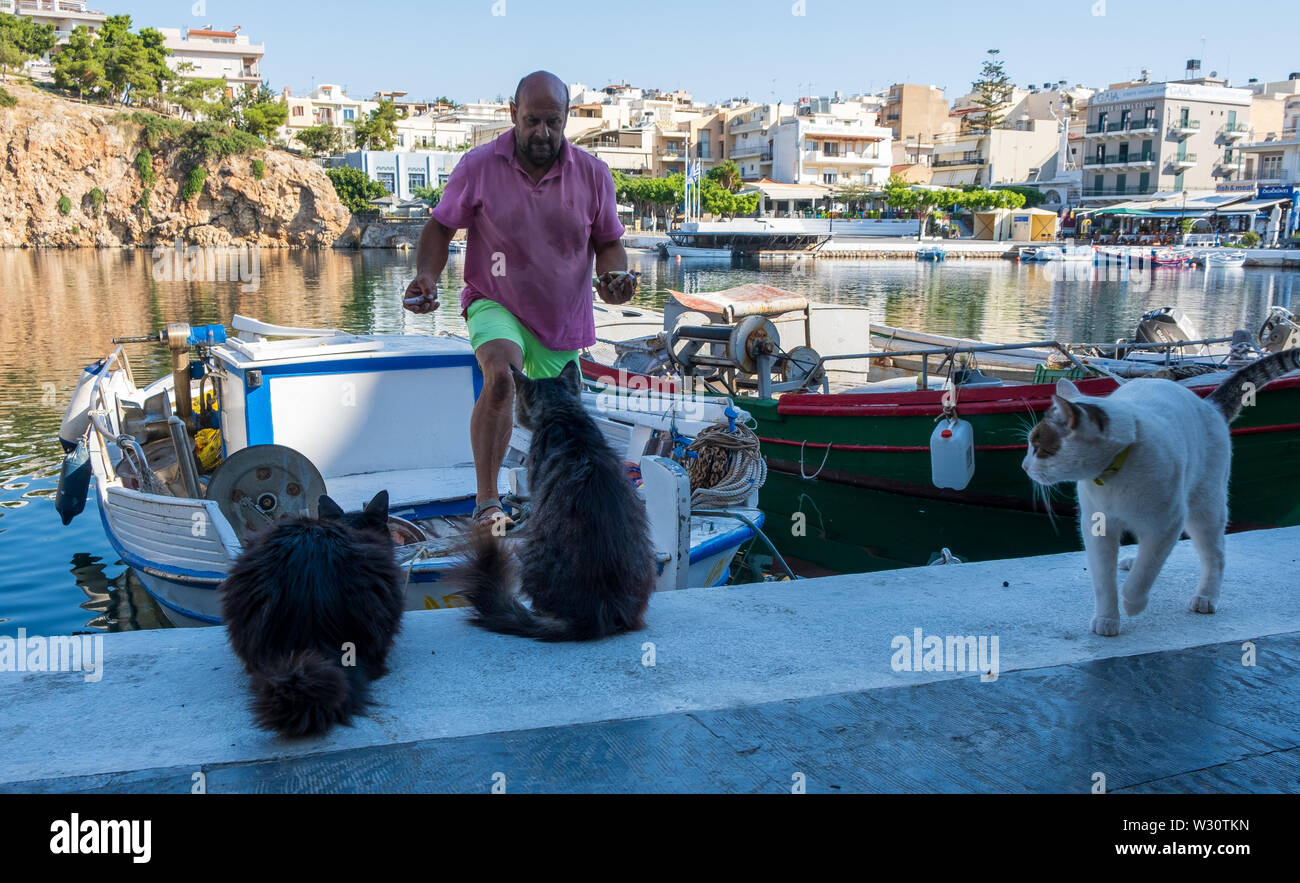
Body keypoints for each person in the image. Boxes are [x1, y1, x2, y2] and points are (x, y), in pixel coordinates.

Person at [403, 70, 636, 528]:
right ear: (513, 114)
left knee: (559, 414)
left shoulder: (593, 174)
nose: (542, 133)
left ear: (568, 118)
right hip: (496, 300)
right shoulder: (478, 166)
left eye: (553, 122)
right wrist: (426, 276)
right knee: (502, 379)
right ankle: (487, 501)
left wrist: (616, 278)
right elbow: (440, 226)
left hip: (561, 316)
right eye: (532, 121)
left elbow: (609, 244)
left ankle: (562, 503)